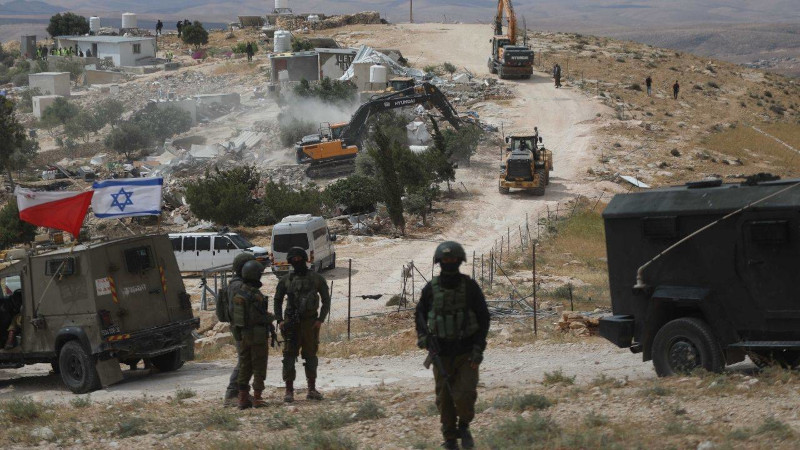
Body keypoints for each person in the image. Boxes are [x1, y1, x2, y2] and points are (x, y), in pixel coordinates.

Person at [416, 241, 490, 450]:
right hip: (441, 353)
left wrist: (478, 348)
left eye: (452, 259)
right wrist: (423, 337)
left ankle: (464, 426)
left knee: (465, 395)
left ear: (459, 260)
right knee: (444, 399)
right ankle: (449, 438)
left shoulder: (470, 287)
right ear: (439, 262)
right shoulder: (431, 289)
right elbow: (420, 314)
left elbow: (484, 318)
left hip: (466, 353)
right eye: (445, 259)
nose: (449, 262)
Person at [274, 247, 330, 403]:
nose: (296, 262)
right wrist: (280, 320)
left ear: (304, 259)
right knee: (289, 357)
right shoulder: (286, 280)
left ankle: (311, 389)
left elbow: (326, 300)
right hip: (291, 324)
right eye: (293, 260)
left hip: (310, 324)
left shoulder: (316, 278)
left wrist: (320, 320)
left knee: (311, 356)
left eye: (299, 259)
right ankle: (289, 391)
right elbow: (277, 300)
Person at [231, 260, 272, 409]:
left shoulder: (239, 294)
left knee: (245, 367)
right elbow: (256, 317)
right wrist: (270, 318)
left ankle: (242, 398)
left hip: (243, 336)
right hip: (257, 336)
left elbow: (238, 319)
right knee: (259, 366)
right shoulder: (255, 295)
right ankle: (257, 398)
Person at [223, 252, 256, 407]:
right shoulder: (238, 286)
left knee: (247, 361)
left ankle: (242, 392)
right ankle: (232, 393)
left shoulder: (236, 284)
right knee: (244, 361)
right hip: (241, 330)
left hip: (241, 328)